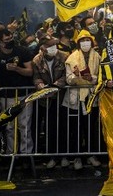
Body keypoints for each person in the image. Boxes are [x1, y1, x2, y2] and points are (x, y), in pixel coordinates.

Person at [63, 30, 101, 170]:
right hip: (76, 98)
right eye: (83, 40)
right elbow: (68, 79)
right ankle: (77, 157)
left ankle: (91, 155)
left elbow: (100, 76)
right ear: (78, 43)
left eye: (88, 40)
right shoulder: (72, 58)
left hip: (91, 97)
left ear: (91, 42)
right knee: (76, 128)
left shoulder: (97, 56)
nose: (86, 43)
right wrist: (76, 76)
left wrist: (92, 78)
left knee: (91, 127)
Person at [0, 29, 34, 155]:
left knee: (24, 126)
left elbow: (30, 71)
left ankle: (26, 153)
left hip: (24, 94)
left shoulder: (23, 51)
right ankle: (11, 153)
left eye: (11, 37)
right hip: (6, 95)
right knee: (10, 127)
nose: (10, 40)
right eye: (7, 39)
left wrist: (17, 69)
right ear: (0, 42)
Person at [31, 34, 68, 169]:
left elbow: (66, 75)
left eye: (54, 45)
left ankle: (64, 156)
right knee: (50, 128)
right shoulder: (37, 60)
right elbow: (36, 77)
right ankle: (52, 156)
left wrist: (56, 85)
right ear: (43, 48)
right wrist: (40, 86)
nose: (53, 48)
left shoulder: (64, 56)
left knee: (64, 127)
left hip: (62, 97)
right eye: (50, 45)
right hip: (46, 100)